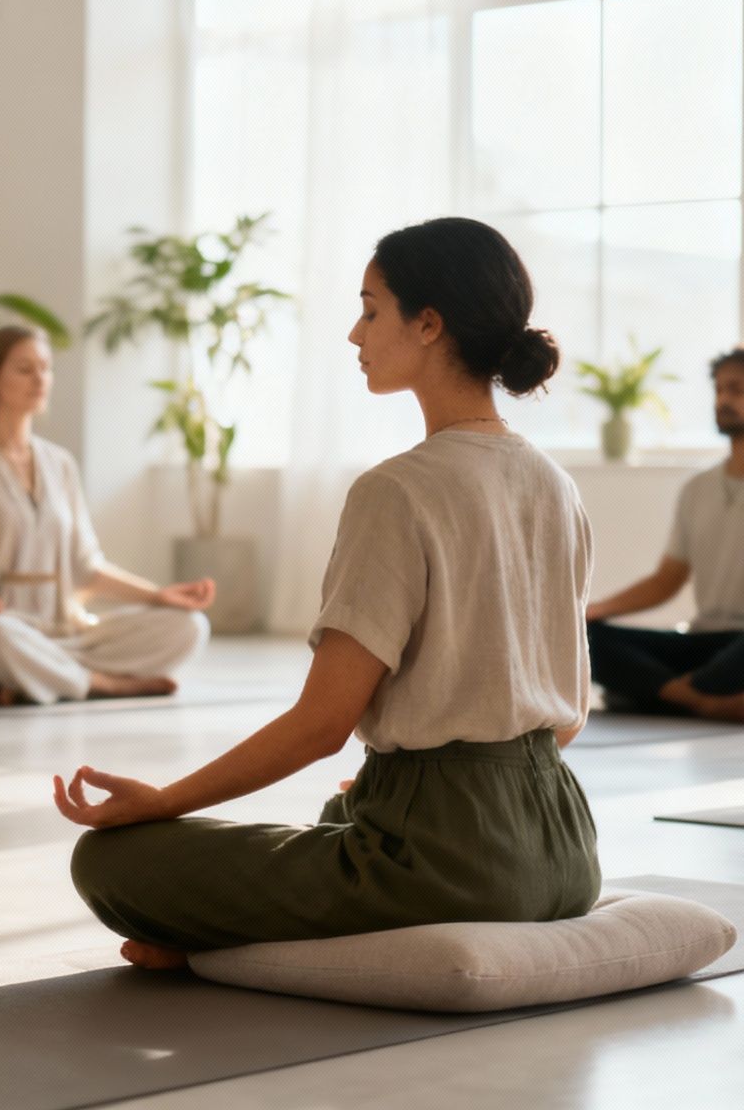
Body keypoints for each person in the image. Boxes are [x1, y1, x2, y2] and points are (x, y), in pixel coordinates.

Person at [54, 217, 600, 967]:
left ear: (429, 323)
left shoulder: (397, 490)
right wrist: (426, 774)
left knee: (111, 862)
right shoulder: (556, 484)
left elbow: (322, 725)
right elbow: (566, 716)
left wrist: (160, 801)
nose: (355, 332)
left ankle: (220, 953)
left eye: (372, 309)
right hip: (566, 851)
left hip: (456, 869)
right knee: (343, 812)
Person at [0, 325, 213, 704]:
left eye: (45, 368)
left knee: (189, 626)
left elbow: (86, 566)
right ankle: (102, 683)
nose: (40, 378)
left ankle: (41, 675)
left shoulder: (60, 464)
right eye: (25, 369)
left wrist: (159, 596)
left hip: (62, 633)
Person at [584, 345, 744, 724]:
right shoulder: (697, 487)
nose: (723, 400)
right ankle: (704, 700)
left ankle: (661, 693)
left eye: (736, 390)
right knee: (586, 639)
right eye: (719, 390)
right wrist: (592, 611)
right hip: (707, 641)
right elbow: (666, 581)